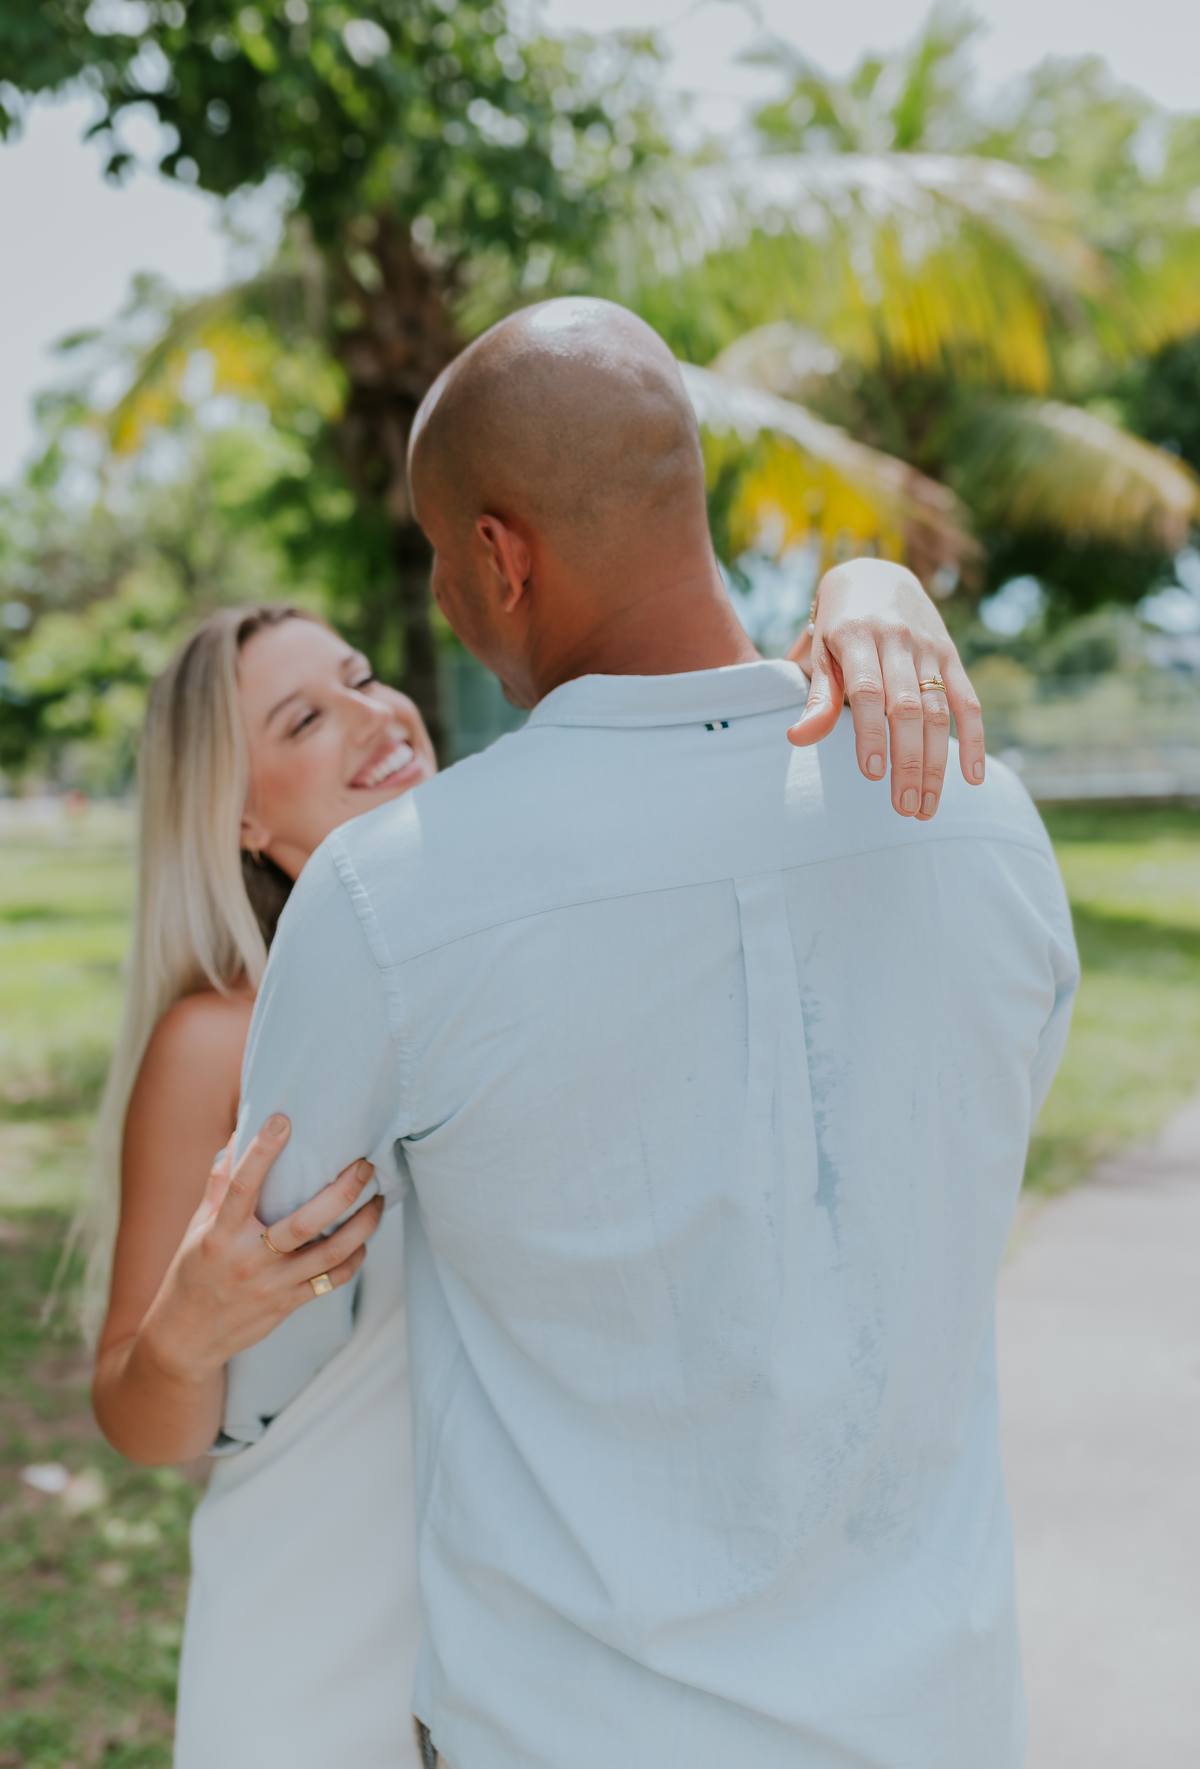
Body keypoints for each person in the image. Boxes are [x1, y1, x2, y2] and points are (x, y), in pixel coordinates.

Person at [220, 297, 1078, 1769]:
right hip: (946, 1717)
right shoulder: (985, 822)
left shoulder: (392, 896)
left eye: (438, 559)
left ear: (499, 554)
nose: (437, 605)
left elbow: (277, 1354)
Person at [86, 553, 977, 1765]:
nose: (372, 713)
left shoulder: (518, 931)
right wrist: (186, 1331)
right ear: (239, 814)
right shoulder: (216, 1038)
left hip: (552, 1636)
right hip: (317, 1623)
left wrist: (870, 589)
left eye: (358, 676)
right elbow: (138, 1416)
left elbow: (704, 705)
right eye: (305, 717)